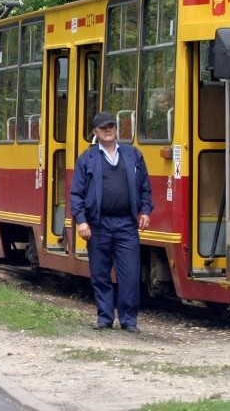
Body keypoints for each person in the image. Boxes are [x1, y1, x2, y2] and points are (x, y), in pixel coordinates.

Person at [69, 111, 153, 333]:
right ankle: (105, 317)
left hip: (126, 224)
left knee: (130, 274)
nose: (108, 130)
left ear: (116, 129)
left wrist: (145, 210)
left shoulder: (132, 155)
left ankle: (129, 320)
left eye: (111, 126)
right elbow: (76, 193)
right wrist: (81, 221)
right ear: (95, 132)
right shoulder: (86, 159)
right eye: (103, 127)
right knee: (100, 273)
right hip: (98, 225)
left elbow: (145, 186)